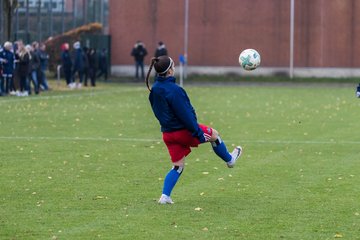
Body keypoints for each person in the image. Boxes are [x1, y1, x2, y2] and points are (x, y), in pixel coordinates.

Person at [145, 56, 242, 204]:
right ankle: (230, 160)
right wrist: (197, 132)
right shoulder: (175, 90)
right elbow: (186, 115)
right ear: (170, 70)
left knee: (178, 166)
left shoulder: (155, 89)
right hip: (184, 131)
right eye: (173, 65)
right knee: (214, 135)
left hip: (167, 134)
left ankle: (165, 196)